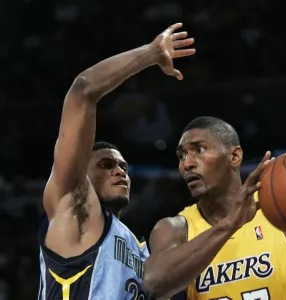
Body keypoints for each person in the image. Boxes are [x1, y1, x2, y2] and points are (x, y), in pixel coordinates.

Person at [37, 23, 195, 300]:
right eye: (105, 165)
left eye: (123, 166)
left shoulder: (139, 248)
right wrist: (151, 53)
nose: (119, 171)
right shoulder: (72, 210)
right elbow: (82, 90)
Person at [143, 116, 286, 300]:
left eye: (199, 149)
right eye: (182, 155)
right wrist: (230, 225)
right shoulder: (175, 229)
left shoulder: (284, 214)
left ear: (235, 156)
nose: (187, 163)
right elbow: (154, 285)